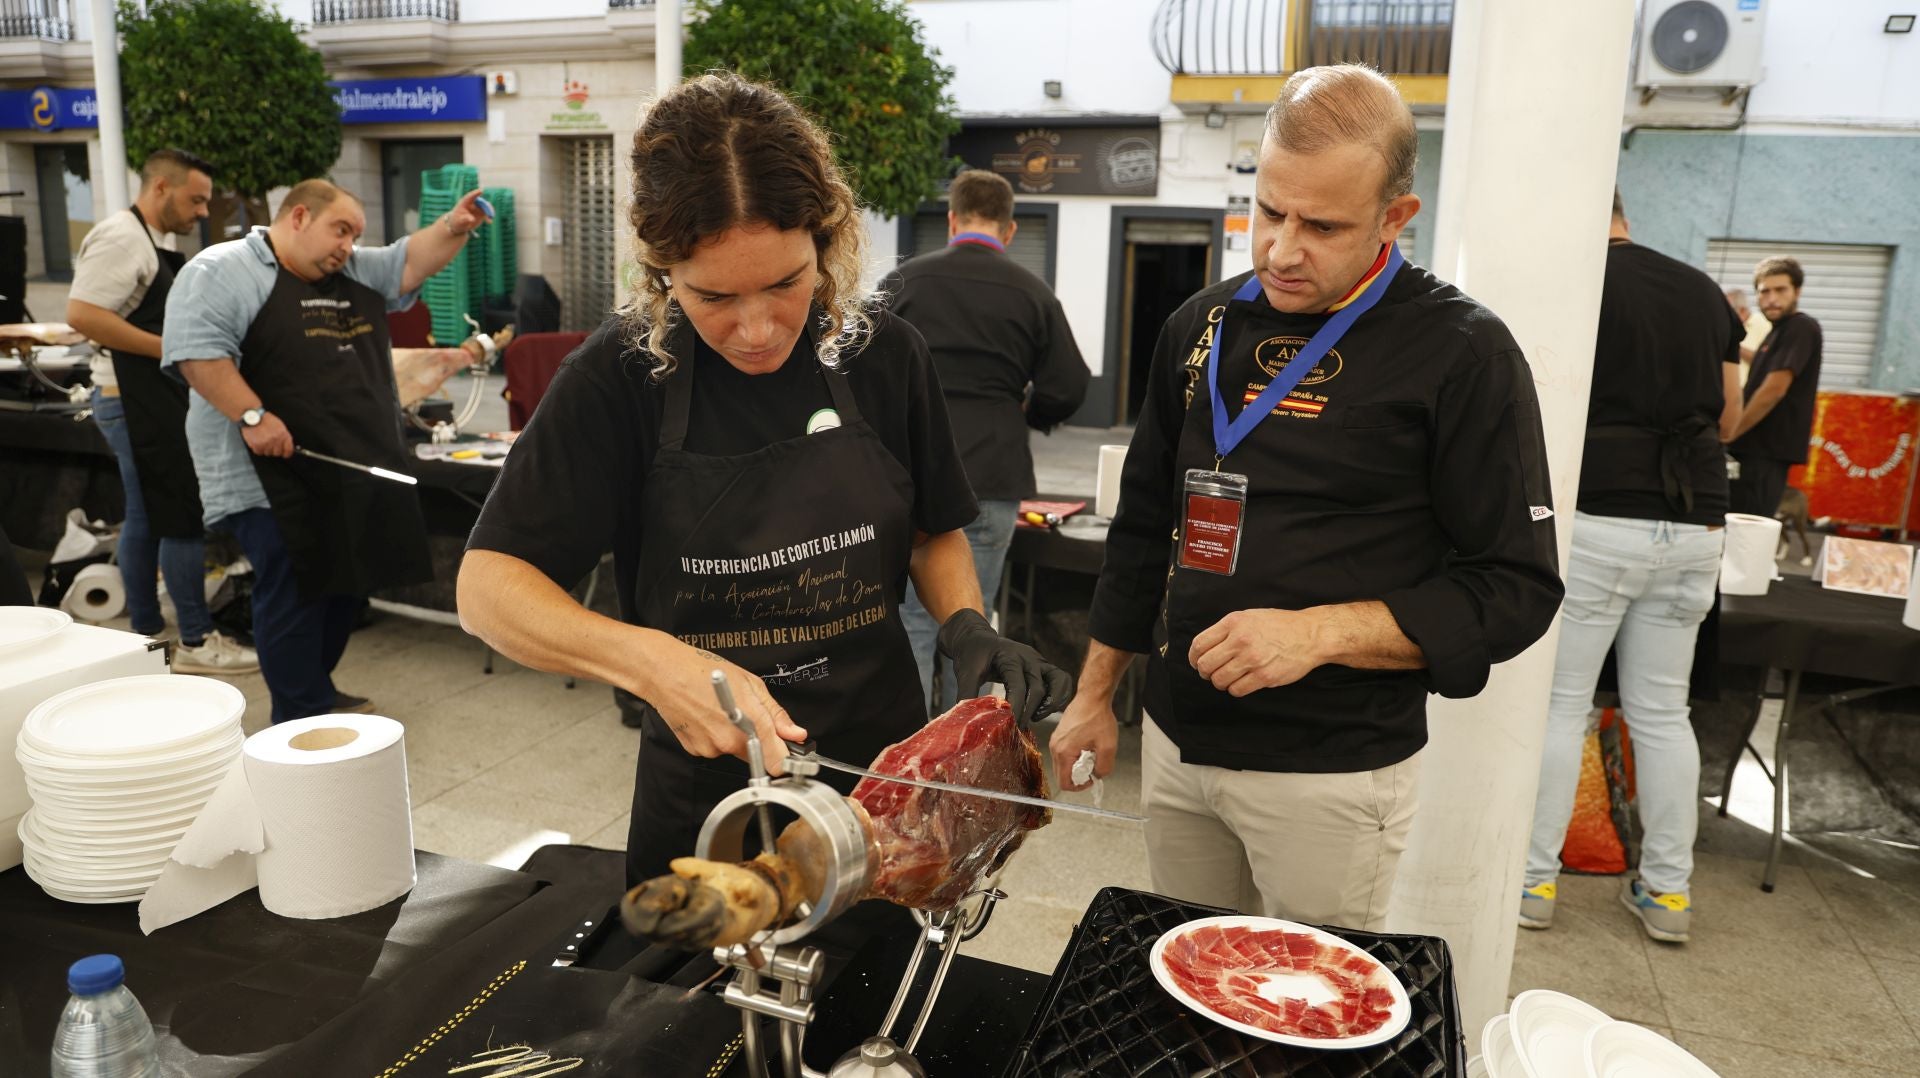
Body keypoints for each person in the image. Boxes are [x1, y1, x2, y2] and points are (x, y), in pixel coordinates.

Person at [455, 73, 1073, 887]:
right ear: (660, 268)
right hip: (712, 807)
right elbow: (488, 588)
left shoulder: (884, 354)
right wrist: (648, 663)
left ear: (826, 240)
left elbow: (930, 529)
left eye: (786, 283)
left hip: (882, 788)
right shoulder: (617, 376)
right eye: (713, 296)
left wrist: (966, 626)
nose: (756, 329)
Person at [1048, 64, 1563, 931]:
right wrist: (1097, 693)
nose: (1284, 249)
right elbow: (1143, 529)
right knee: (1182, 985)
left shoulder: (1463, 352)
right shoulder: (1199, 327)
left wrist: (1317, 633)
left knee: (1302, 1023)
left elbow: (1515, 588)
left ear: (1396, 218)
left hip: (1330, 775)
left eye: (1322, 226)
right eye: (1270, 212)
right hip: (1175, 746)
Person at [163, 180, 490, 722]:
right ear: (297, 217)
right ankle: (298, 713)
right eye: (340, 230)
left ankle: (313, 688)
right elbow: (198, 355)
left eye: (356, 234)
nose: (349, 245)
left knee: (346, 580)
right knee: (293, 582)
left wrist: (453, 228)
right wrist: (251, 415)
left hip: (343, 460)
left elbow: (406, 263)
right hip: (261, 469)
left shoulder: (351, 270)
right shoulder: (221, 271)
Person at [1519, 191, 1745, 944]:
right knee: (1662, 713)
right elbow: (1730, 415)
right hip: (1698, 523)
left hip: (1603, 514)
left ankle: (1532, 883)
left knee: (1562, 705)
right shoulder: (1702, 290)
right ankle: (1668, 896)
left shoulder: (1580, 288)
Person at [881, 168, 1090, 713]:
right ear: (1010, 229)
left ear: (952, 219)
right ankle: (960, 755)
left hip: (909, 478)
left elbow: (858, 367)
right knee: (973, 625)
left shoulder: (905, 282)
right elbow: (1069, 386)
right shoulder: (1033, 292)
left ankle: (902, 751)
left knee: (910, 622)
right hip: (993, 476)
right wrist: (1029, 409)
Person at [66, 149, 256, 674]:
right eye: (195, 199)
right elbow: (82, 314)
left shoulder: (155, 241)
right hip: (129, 400)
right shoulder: (122, 237)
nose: (201, 211)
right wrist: (175, 349)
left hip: (143, 396)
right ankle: (195, 639)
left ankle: (147, 631)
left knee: (147, 515)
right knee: (179, 513)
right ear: (159, 188)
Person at [1726, 258, 1822, 517]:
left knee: (1746, 535)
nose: (1771, 298)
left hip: (1764, 454)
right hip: (1750, 452)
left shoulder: (1801, 327)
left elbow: (1773, 390)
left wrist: (1730, 433)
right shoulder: (1776, 332)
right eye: (1764, 291)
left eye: (1781, 290)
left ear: (1797, 291)